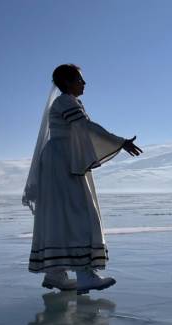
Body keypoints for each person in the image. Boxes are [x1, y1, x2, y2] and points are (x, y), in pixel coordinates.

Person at [22, 64, 142, 294]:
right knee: (80, 214)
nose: (84, 83)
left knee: (61, 215)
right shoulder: (67, 101)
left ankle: (55, 273)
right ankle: (85, 274)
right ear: (67, 82)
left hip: (61, 161)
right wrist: (120, 142)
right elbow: (85, 127)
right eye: (79, 79)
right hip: (64, 163)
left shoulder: (65, 102)